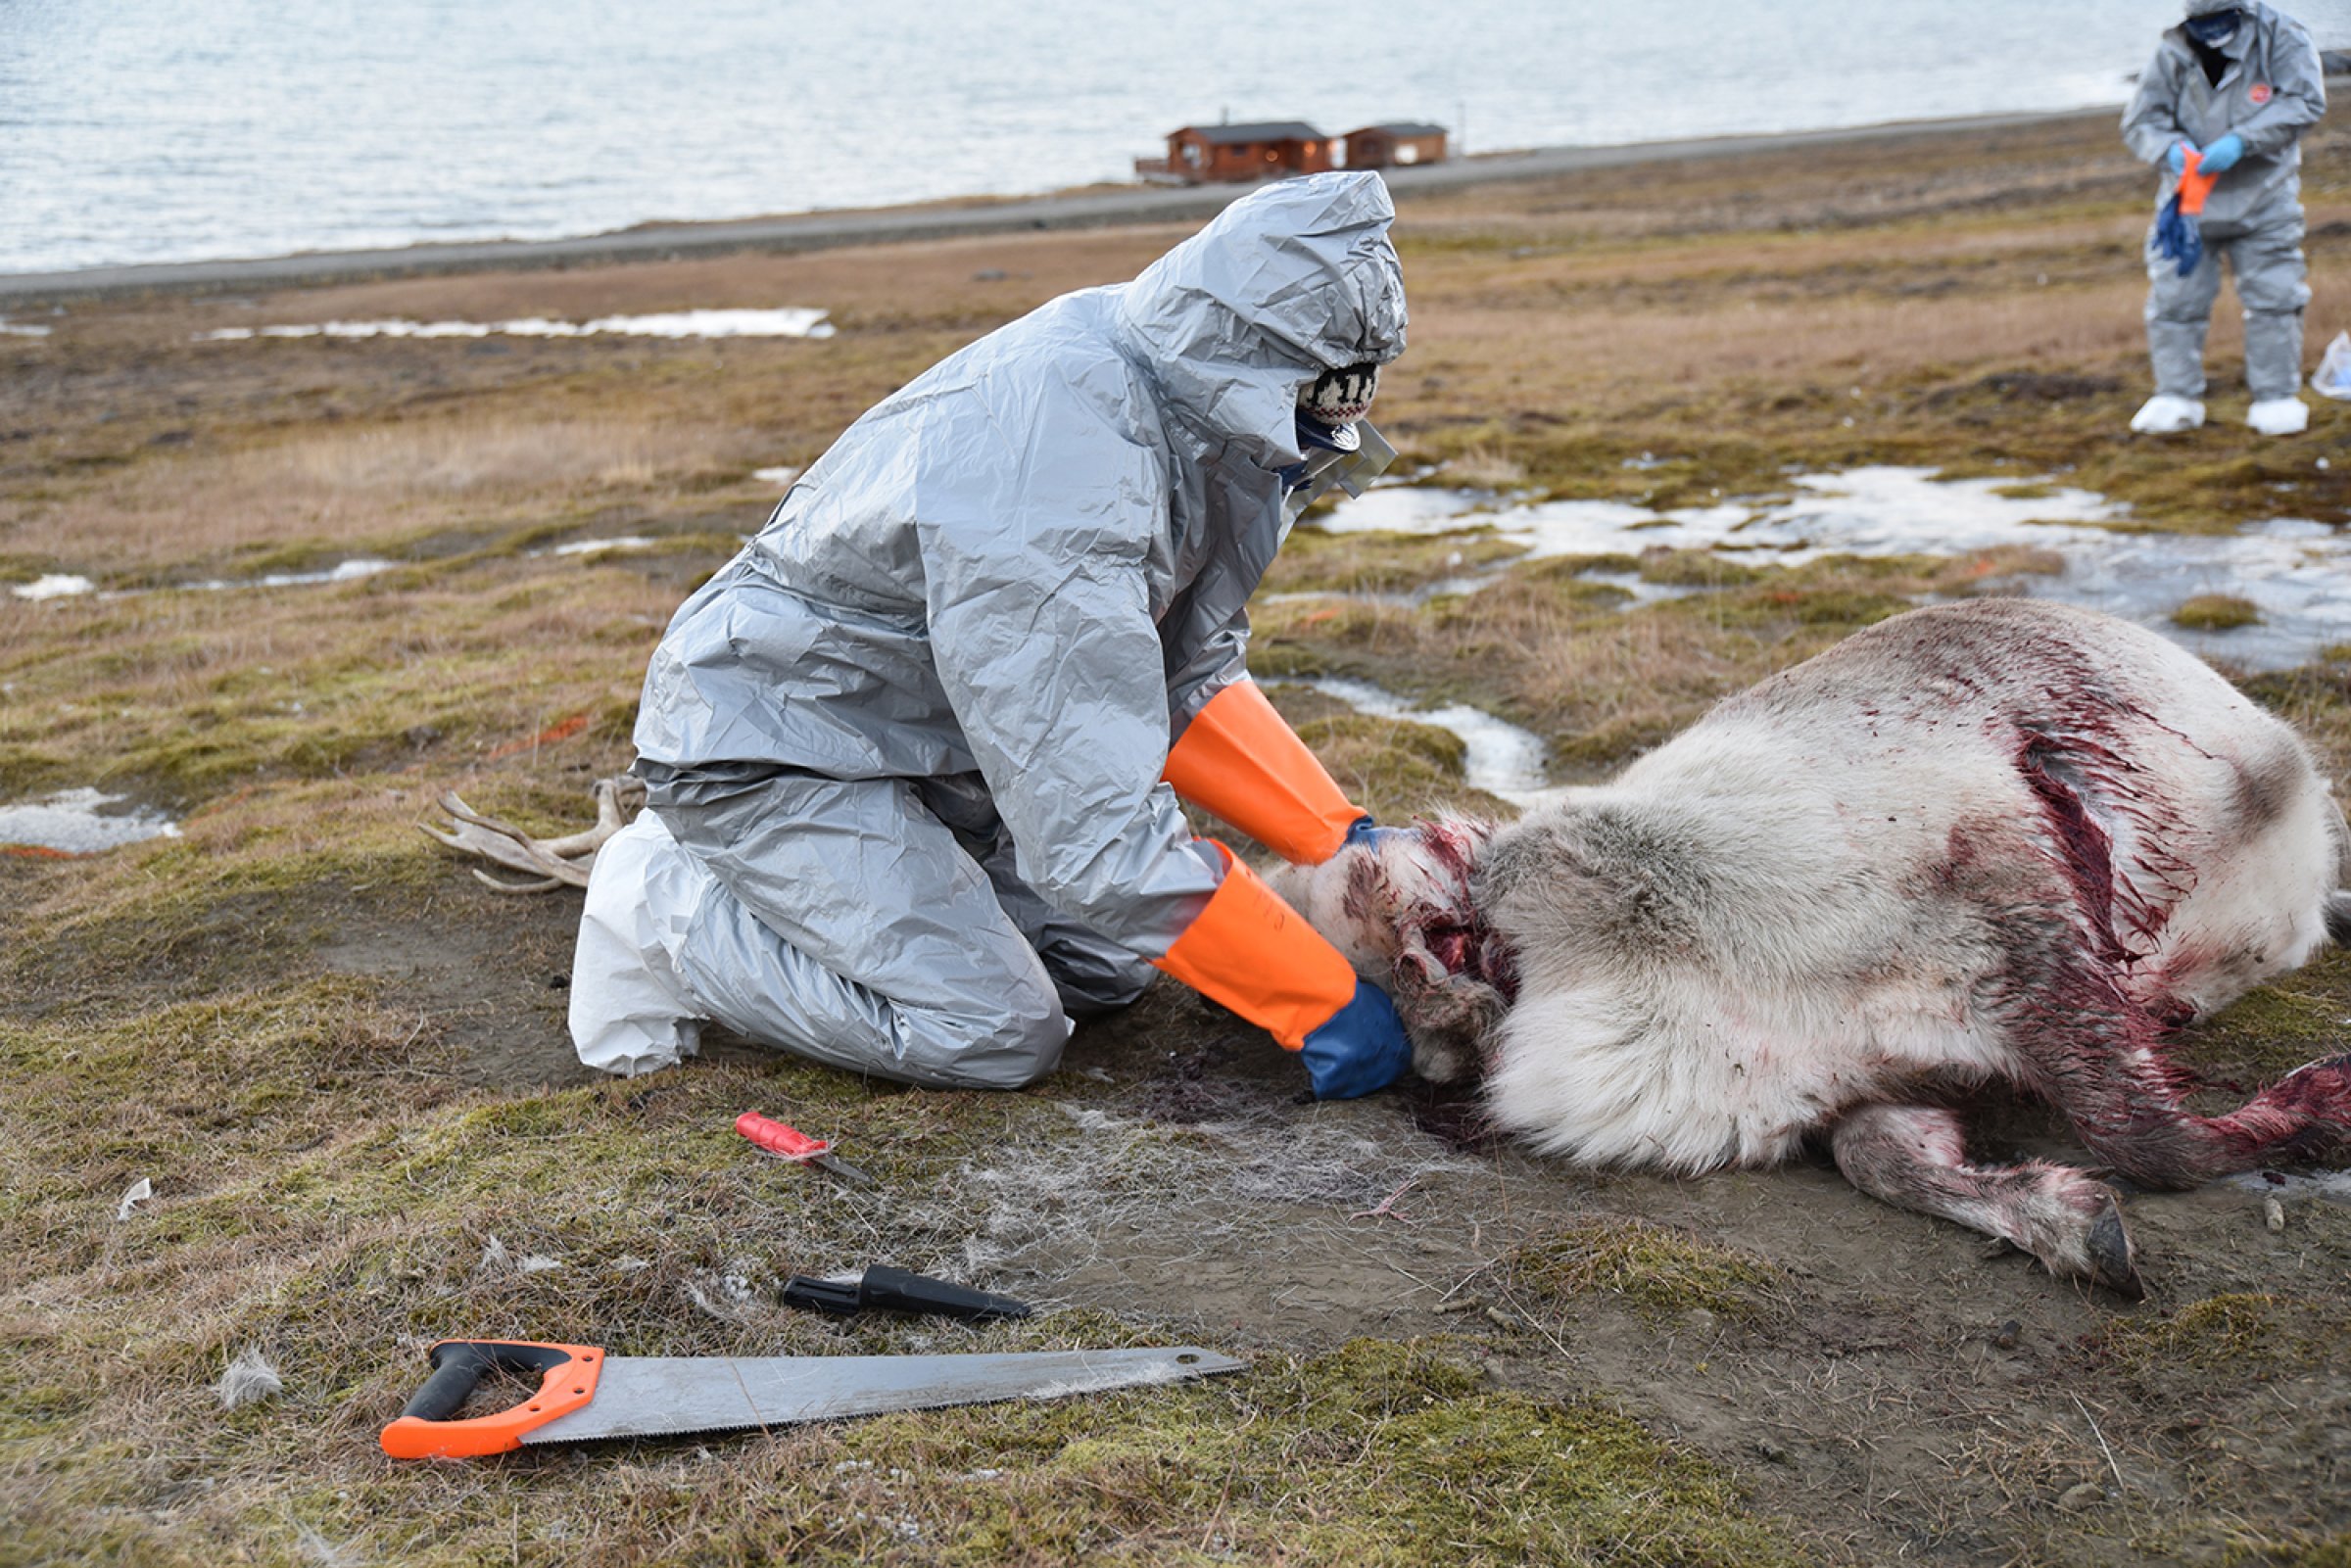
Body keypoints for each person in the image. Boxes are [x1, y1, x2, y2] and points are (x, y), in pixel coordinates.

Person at [566, 171, 1416, 1101]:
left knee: (1109, 968)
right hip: (775, 747)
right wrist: (1317, 1002)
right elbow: (1094, 837)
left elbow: (1179, 668)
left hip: (926, 749)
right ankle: (669, 908)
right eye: (1300, 428)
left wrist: (1334, 832)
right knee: (995, 1027)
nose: (1308, 453)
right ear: (1254, 378)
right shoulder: (1061, 492)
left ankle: (889, 887)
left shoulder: (1180, 387)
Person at [2123, 0, 2327, 436]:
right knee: (2175, 301)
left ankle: (2276, 397)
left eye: (2220, 22)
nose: (2211, 33)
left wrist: (2243, 140)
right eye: (2202, 24)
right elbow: (2142, 120)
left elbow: (2304, 101)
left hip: (2265, 198)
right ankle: (2176, 396)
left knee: (2274, 297)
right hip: (2188, 205)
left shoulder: (2282, 38)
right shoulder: (2174, 49)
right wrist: (2170, 149)